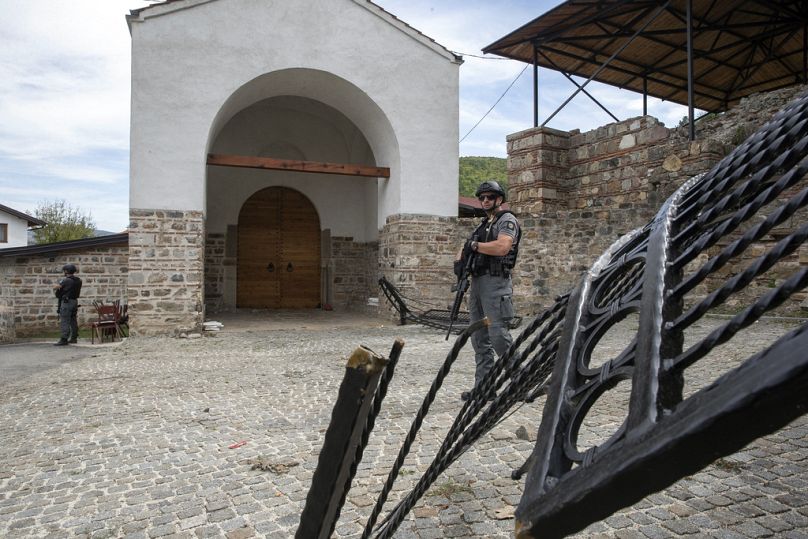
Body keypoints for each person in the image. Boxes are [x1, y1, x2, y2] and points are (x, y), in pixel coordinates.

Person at [455, 180, 521, 401]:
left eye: (489, 197)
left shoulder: (507, 220)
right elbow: (465, 247)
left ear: (499, 199)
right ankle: (484, 387)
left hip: (496, 283)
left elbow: (502, 247)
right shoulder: (482, 225)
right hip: (478, 283)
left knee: (498, 335)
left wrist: (475, 246)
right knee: (479, 336)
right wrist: (460, 260)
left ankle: (521, 381)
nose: (485, 201)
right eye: (482, 197)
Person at [53, 263, 82, 345]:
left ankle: (64, 339)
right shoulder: (78, 280)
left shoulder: (66, 280)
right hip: (74, 301)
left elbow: (56, 287)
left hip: (67, 302)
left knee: (65, 320)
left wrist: (55, 285)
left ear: (66, 271)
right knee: (73, 320)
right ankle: (74, 338)